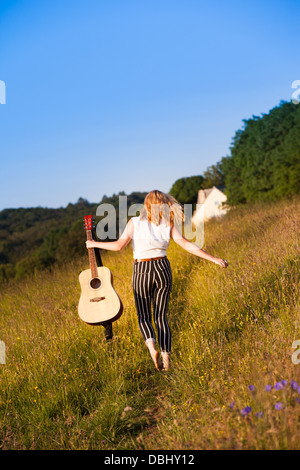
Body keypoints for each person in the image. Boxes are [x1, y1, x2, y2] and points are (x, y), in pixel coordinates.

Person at [86, 190, 228, 371]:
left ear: (146, 205)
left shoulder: (135, 222)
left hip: (141, 270)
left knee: (144, 316)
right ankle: (166, 357)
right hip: (162, 268)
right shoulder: (167, 223)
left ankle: (152, 348)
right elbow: (186, 244)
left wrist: (94, 243)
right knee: (161, 316)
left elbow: (118, 246)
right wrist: (213, 258)